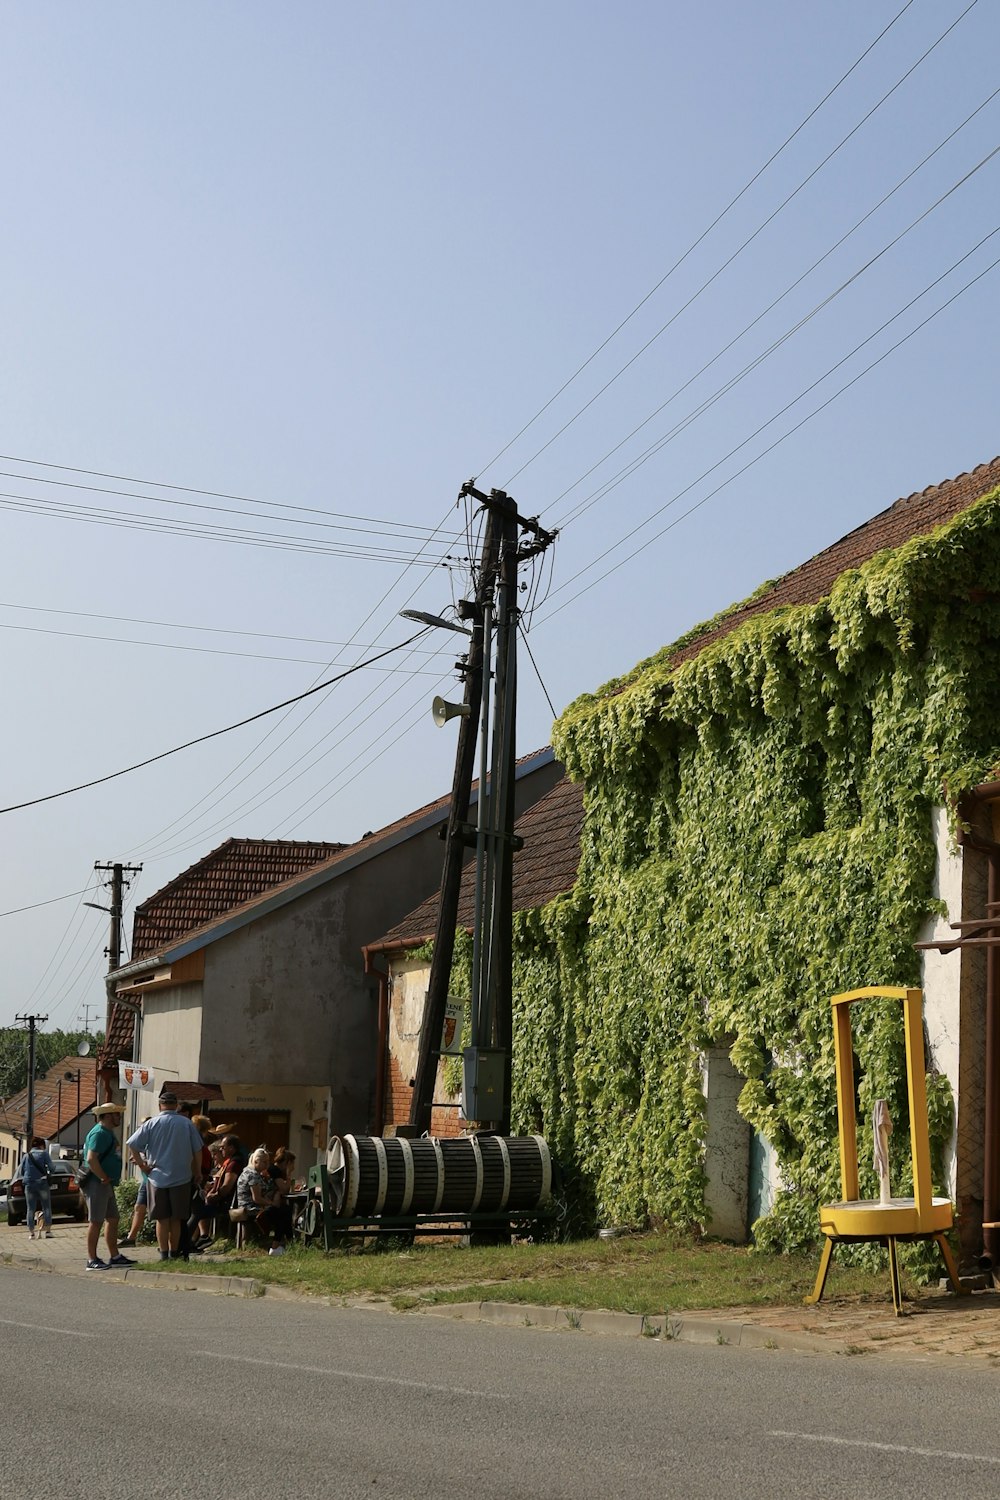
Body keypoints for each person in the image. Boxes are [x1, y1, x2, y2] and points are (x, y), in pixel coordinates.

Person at [125, 1090, 203, 1261]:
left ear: (160, 1105)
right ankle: (174, 1252)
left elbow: (132, 1144)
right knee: (176, 1219)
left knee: (161, 1218)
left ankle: (163, 1253)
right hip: (181, 1176)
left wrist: (142, 1166)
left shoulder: (151, 1123)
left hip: (157, 1177)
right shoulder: (186, 1124)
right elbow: (197, 1150)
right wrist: (197, 1171)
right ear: (175, 1105)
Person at [81, 1102, 136, 1271]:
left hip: (105, 1182)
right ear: (107, 1116)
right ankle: (92, 1259)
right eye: (116, 1114)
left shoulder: (107, 1132)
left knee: (112, 1218)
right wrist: (103, 1176)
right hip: (97, 1183)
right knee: (96, 1221)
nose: (119, 1117)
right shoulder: (99, 1133)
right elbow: (91, 1159)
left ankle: (115, 1256)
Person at [236, 1147, 292, 1254]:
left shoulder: (254, 1173)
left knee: (284, 1210)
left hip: (251, 1206)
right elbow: (256, 1198)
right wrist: (272, 1203)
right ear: (256, 1161)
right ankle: (277, 1246)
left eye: (268, 1162)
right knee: (283, 1212)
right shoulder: (252, 1175)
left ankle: (286, 1243)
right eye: (264, 1162)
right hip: (251, 1208)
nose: (267, 1165)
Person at [20, 1137, 54, 1240]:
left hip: (29, 1184)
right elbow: (52, 1168)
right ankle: (47, 1231)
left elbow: (22, 1171)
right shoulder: (44, 1154)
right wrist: (48, 1172)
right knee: (46, 1206)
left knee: (30, 1208)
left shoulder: (26, 1156)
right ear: (41, 1145)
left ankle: (31, 1234)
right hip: (42, 1183)